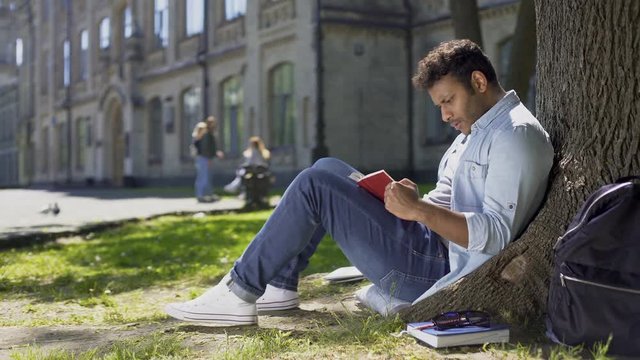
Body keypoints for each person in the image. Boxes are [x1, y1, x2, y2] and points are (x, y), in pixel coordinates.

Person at [165, 39, 554, 326]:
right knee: (328, 168)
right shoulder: (476, 130)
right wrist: (412, 202)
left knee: (316, 184)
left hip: (433, 270)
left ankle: (239, 292)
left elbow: (497, 236)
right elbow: (449, 198)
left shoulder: (514, 137)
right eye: (439, 105)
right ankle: (280, 286)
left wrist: (418, 211)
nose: (444, 115)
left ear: (479, 81)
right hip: (428, 246)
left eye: (448, 101)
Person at [192, 116, 224, 203]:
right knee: (203, 177)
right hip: (204, 158)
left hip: (204, 158)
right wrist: (209, 158)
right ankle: (201, 195)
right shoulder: (205, 135)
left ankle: (207, 194)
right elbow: (205, 148)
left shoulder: (208, 134)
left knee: (206, 177)